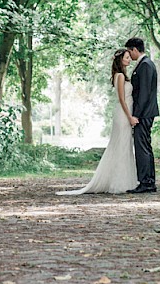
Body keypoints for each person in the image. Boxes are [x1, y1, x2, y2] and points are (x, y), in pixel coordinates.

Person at [56, 49, 138, 195]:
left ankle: (125, 180)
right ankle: (119, 183)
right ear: (120, 60)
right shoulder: (119, 76)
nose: (129, 60)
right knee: (121, 145)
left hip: (127, 112)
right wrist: (130, 117)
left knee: (125, 146)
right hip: (122, 114)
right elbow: (121, 99)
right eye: (126, 58)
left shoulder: (124, 76)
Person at [125, 37, 158, 193]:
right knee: (146, 146)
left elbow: (143, 93)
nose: (129, 56)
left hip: (144, 113)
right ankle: (149, 181)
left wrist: (135, 115)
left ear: (135, 50)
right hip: (147, 112)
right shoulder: (147, 64)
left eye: (129, 52)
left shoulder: (145, 65)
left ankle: (145, 182)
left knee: (141, 148)